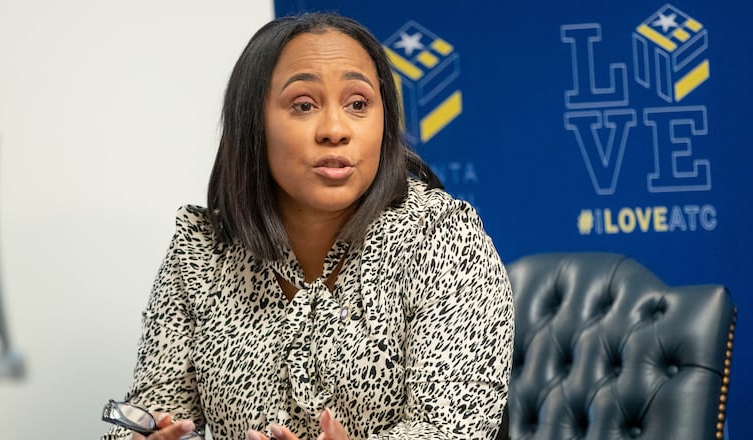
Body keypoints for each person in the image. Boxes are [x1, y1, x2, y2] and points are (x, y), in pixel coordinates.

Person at [102, 11, 513, 440]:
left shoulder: (442, 236)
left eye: (358, 104)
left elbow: (452, 428)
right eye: (303, 105)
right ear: (252, 126)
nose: (335, 130)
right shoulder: (203, 250)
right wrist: (139, 435)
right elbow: (151, 408)